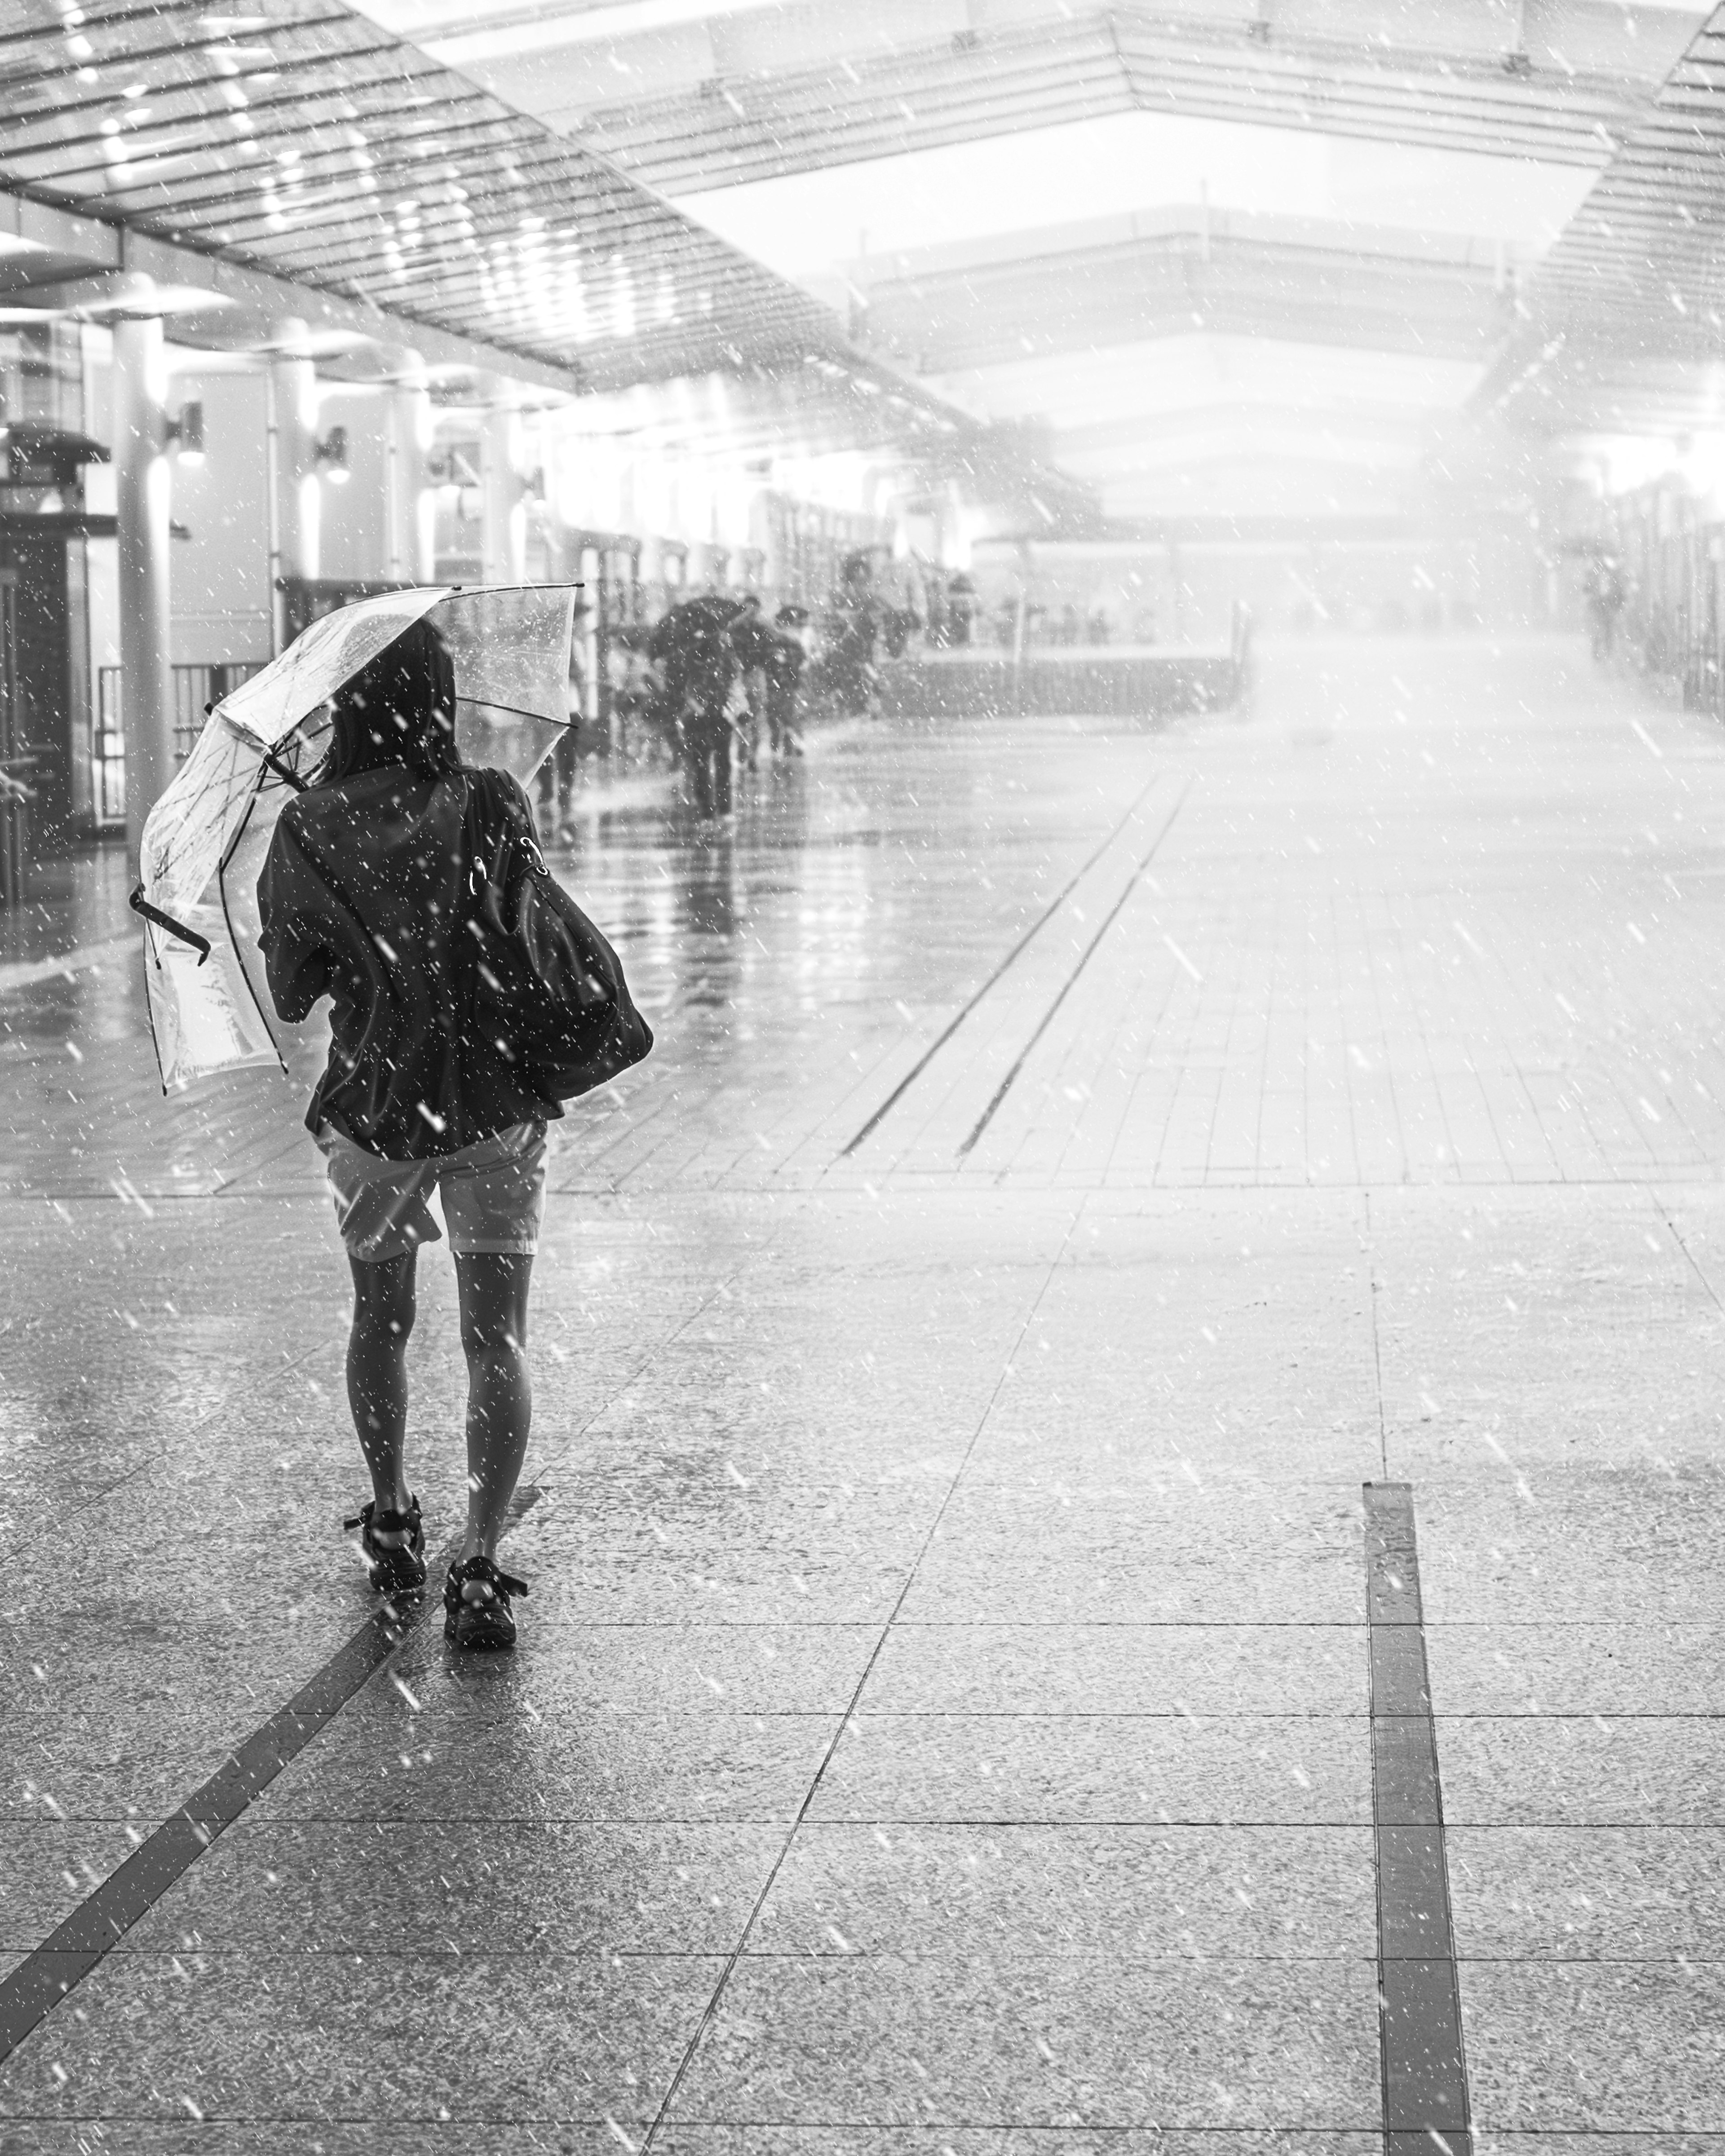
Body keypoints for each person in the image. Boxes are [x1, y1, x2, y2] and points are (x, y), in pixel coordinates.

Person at [257, 618, 556, 1651]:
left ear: (344, 703)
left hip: (378, 1112)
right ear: (441, 697)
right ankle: (478, 1565)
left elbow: (294, 994)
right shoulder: (490, 799)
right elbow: (525, 933)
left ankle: (391, 1517)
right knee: (495, 1339)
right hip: (492, 1104)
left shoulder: (309, 827)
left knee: (380, 1322)